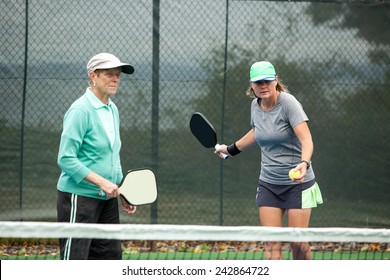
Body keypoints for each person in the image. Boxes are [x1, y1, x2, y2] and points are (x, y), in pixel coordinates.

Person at [215, 61, 323, 260]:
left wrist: (304, 162)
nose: (263, 86)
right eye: (258, 83)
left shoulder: (289, 104)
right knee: (271, 245)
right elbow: (258, 131)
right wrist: (229, 149)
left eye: (267, 81)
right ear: (252, 86)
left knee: (298, 244)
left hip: (299, 184)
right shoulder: (254, 106)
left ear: (276, 81)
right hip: (269, 184)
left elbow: (306, 139)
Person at [57, 53, 137, 260]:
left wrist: (123, 191)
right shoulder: (80, 110)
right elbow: (66, 159)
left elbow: (112, 155)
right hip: (79, 198)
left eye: (118, 75)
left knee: (111, 258)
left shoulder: (112, 109)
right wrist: (101, 182)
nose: (115, 79)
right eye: (109, 74)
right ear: (93, 76)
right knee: (75, 260)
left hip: (107, 199)